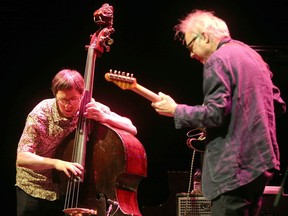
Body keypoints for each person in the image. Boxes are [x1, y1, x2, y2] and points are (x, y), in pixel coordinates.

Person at [151, 9, 286, 216]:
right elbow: (277, 104)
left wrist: (175, 110)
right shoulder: (254, 56)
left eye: (190, 45)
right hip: (261, 164)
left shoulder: (218, 59)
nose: (191, 54)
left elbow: (215, 114)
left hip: (233, 171)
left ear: (204, 36)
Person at [15, 68, 137, 216]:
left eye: (73, 99)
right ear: (55, 96)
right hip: (34, 186)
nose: (68, 105)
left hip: (67, 189)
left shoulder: (88, 106)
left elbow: (131, 127)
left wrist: (104, 118)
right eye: (63, 100)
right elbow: (22, 158)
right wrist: (57, 163)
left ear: (82, 95)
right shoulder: (41, 112)